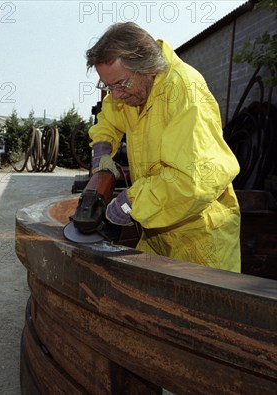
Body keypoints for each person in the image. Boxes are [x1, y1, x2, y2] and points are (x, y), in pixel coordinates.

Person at [86, 22, 241, 272]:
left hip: (199, 236)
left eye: (121, 84)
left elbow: (193, 181)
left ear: (148, 68)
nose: (115, 96)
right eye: (108, 86)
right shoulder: (131, 90)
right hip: (155, 227)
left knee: (200, 309)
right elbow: (109, 117)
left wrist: (130, 202)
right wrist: (102, 152)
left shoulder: (184, 92)